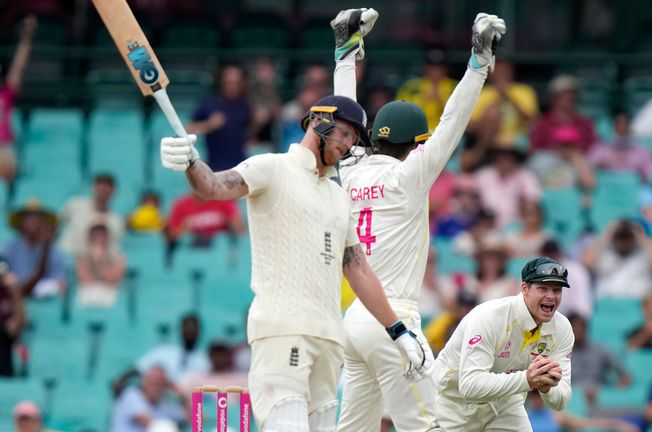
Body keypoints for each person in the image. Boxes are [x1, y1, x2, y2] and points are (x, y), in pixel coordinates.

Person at [158, 9, 428, 429]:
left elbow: (357, 270)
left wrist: (398, 330)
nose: (346, 146)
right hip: (283, 332)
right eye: (341, 133)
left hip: (329, 342)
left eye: (354, 140)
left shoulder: (338, 197)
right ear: (318, 122)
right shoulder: (272, 168)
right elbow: (213, 186)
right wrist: (191, 161)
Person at [331, 10, 506, 431]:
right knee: (430, 427)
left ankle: (343, 44)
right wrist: (478, 64)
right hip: (393, 317)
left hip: (354, 319)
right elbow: (452, 123)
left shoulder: (351, 169)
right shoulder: (412, 175)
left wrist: (344, 55)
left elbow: (344, 113)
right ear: (415, 145)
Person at [431, 257, 575, 431]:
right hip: (452, 403)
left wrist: (547, 387)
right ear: (524, 289)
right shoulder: (489, 317)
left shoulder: (562, 328)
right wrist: (527, 379)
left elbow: (561, 400)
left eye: (557, 290)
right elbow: (469, 385)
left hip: (505, 403)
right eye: (543, 288)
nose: (551, 296)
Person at [463, 58, 538, 171]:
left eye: (505, 71)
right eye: (497, 71)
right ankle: (481, 152)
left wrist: (509, 97)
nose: (501, 75)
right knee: (493, 112)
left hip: (517, 136)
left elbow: (532, 122)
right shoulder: (482, 93)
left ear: (512, 72)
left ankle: (478, 154)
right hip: (490, 136)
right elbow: (471, 127)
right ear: (490, 73)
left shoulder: (524, 91)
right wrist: (495, 103)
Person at [582, 219, 652, 300]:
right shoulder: (604, 254)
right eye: (620, 237)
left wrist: (640, 235)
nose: (623, 241)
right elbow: (585, 263)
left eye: (627, 237)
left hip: (638, 307)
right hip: (607, 306)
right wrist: (607, 234)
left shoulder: (644, 254)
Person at [187, 64, 252, 171]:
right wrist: (209, 124)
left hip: (240, 167)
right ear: (222, 82)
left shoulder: (245, 106)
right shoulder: (209, 104)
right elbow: (188, 129)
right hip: (215, 167)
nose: (232, 86)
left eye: (236, 83)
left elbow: (248, 135)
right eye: (229, 82)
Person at [4, 200, 67, 298]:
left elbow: (61, 284)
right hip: (13, 299)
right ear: (21, 222)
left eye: (37, 218)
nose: (33, 221)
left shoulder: (54, 252)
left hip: (43, 300)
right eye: (28, 217)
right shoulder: (8, 249)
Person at [0, 15, 36, 185]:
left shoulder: (6, 93)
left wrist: (27, 37)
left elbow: (18, 66)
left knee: (7, 169)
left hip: (3, 146)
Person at [568, 314, 631, 408]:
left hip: (598, 396)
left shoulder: (601, 350)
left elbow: (624, 376)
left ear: (586, 329)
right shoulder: (562, 353)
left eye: (581, 327)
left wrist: (612, 391)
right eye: (574, 327)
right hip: (571, 399)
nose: (578, 330)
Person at [472, 146, 542, 229]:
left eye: (508, 158)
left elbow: (533, 202)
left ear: (515, 159)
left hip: (517, 227)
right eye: (500, 158)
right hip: (486, 224)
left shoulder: (526, 176)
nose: (504, 161)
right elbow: (472, 198)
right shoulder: (483, 175)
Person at [58, 173, 124, 256]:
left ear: (114, 191)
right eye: (100, 185)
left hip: (89, 264)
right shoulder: (74, 204)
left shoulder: (117, 221)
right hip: (64, 256)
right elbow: (56, 224)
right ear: (93, 188)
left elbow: (112, 249)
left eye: (108, 186)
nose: (103, 189)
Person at [133, 313, 210, 385]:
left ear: (199, 332)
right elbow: (137, 368)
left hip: (191, 397)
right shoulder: (163, 351)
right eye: (187, 328)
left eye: (193, 329)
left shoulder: (205, 361)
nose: (190, 332)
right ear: (180, 330)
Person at [529, 75, 596, 153]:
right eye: (562, 95)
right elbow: (534, 150)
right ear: (553, 97)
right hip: (548, 161)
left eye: (571, 95)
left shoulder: (585, 123)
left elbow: (592, 147)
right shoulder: (541, 123)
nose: (567, 98)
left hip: (578, 160)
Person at [395, 48, 457, 132]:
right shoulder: (410, 87)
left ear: (445, 69)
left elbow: (460, 117)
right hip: (416, 134)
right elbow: (400, 114)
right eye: (431, 67)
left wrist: (441, 102)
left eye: (438, 67)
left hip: (447, 133)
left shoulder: (455, 87)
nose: (435, 71)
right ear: (425, 68)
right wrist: (422, 101)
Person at [110, 366, 187, 432]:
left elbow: (195, 418)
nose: (155, 387)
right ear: (144, 382)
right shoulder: (132, 395)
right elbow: (150, 424)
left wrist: (182, 395)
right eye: (152, 382)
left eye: (159, 383)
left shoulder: (165, 405)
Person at [587, 110, 652, 182]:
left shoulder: (641, 152)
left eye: (625, 123)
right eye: (619, 123)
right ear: (613, 125)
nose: (622, 127)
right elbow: (588, 169)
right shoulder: (600, 149)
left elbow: (651, 175)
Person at [75, 223, 126, 308]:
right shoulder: (81, 255)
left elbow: (114, 278)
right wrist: (94, 258)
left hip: (111, 290)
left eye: (102, 236)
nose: (98, 239)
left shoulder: (118, 255)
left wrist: (101, 260)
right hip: (87, 290)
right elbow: (85, 279)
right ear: (89, 237)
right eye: (95, 236)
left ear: (107, 238)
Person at [540, 240, 592, 319]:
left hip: (571, 319)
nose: (550, 259)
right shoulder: (535, 272)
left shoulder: (577, 271)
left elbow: (582, 308)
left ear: (560, 253)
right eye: (547, 255)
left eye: (553, 254)